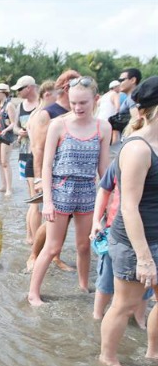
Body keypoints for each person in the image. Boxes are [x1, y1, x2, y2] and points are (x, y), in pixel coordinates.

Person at [28, 76, 111, 306]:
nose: (77, 107)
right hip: (61, 189)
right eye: (74, 102)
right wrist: (48, 201)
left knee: (84, 245)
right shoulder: (59, 125)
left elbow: (104, 168)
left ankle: (83, 286)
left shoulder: (103, 127)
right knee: (53, 246)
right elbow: (46, 164)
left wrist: (112, 200)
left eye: (83, 102)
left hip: (87, 190)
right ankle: (33, 293)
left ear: (95, 99)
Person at [99, 76, 158, 366]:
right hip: (136, 241)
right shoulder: (138, 149)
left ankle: (153, 352)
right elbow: (128, 206)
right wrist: (145, 259)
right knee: (125, 303)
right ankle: (107, 359)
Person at [27, 71, 82, 272]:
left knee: (66, 218)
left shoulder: (79, 111)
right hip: (53, 174)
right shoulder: (48, 113)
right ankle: (33, 255)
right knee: (53, 218)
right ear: (66, 86)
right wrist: (40, 179)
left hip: (74, 174)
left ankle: (55, 257)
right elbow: (38, 149)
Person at [90, 161, 153, 324]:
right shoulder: (123, 159)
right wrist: (96, 221)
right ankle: (97, 316)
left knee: (147, 281)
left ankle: (140, 319)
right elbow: (104, 190)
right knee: (106, 279)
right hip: (117, 233)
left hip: (151, 234)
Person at [11, 76, 40, 243]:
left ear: (29, 88)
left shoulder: (42, 105)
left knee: (34, 199)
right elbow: (15, 126)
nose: (18, 92)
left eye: (20, 89)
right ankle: (31, 237)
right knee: (33, 199)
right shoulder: (20, 106)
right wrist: (19, 131)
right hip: (24, 153)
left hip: (37, 154)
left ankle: (30, 236)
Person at [0, 83, 17, 196]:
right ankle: (3, 185)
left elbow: (14, 122)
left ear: (4, 93)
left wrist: (6, 130)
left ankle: (9, 188)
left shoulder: (9, 105)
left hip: (6, 136)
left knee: (5, 162)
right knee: (0, 163)